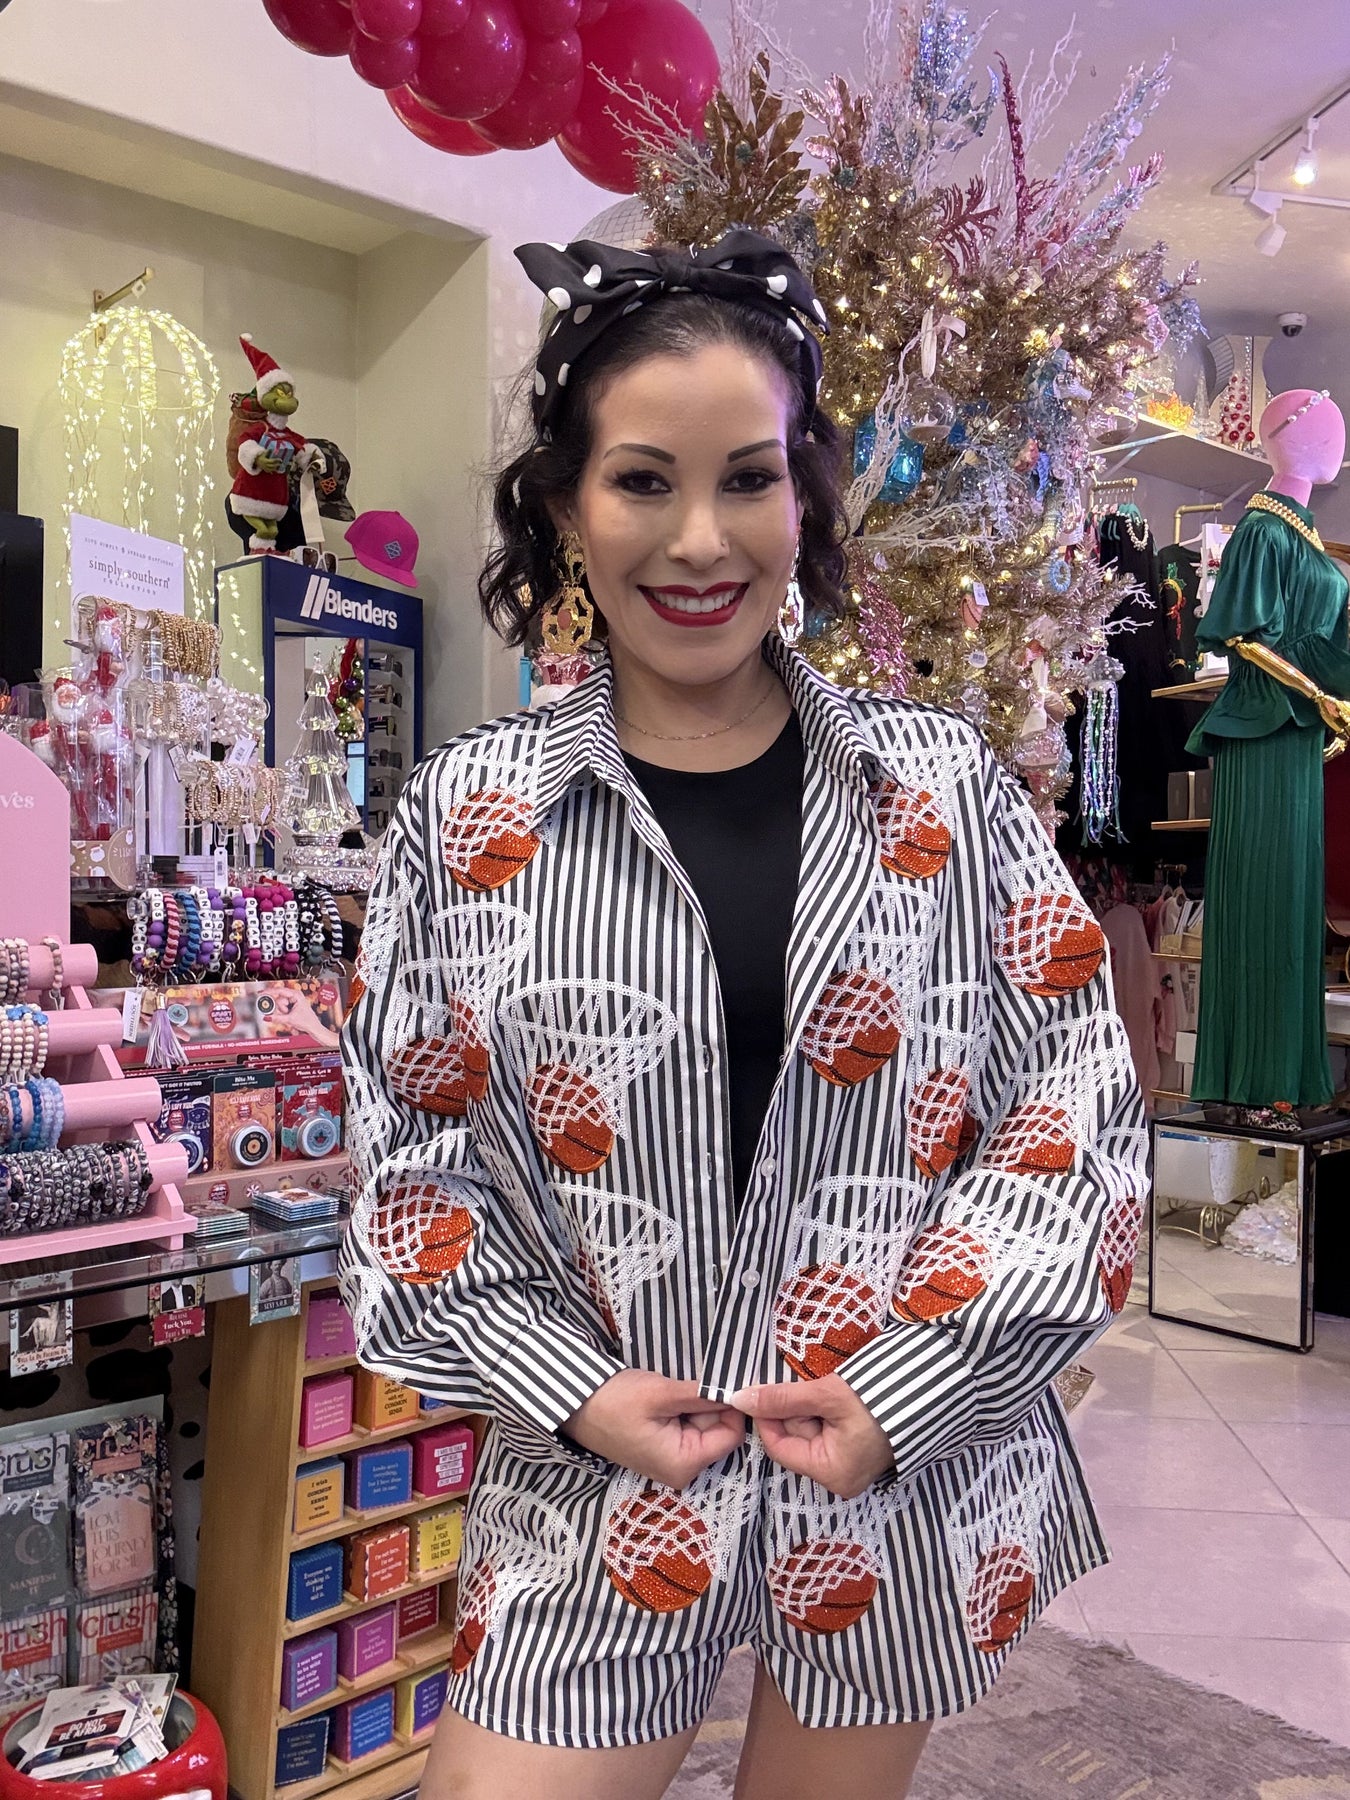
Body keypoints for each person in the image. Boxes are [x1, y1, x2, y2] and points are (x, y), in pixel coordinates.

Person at [339, 229, 1146, 1800]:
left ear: (803, 497)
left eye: (749, 479)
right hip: (591, 1483)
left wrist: (908, 1384)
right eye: (643, 480)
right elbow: (410, 1173)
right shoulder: (468, 817)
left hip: (892, 1482)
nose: (700, 539)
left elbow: (1072, 1126)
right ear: (567, 506)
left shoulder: (940, 793)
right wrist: (572, 1389)